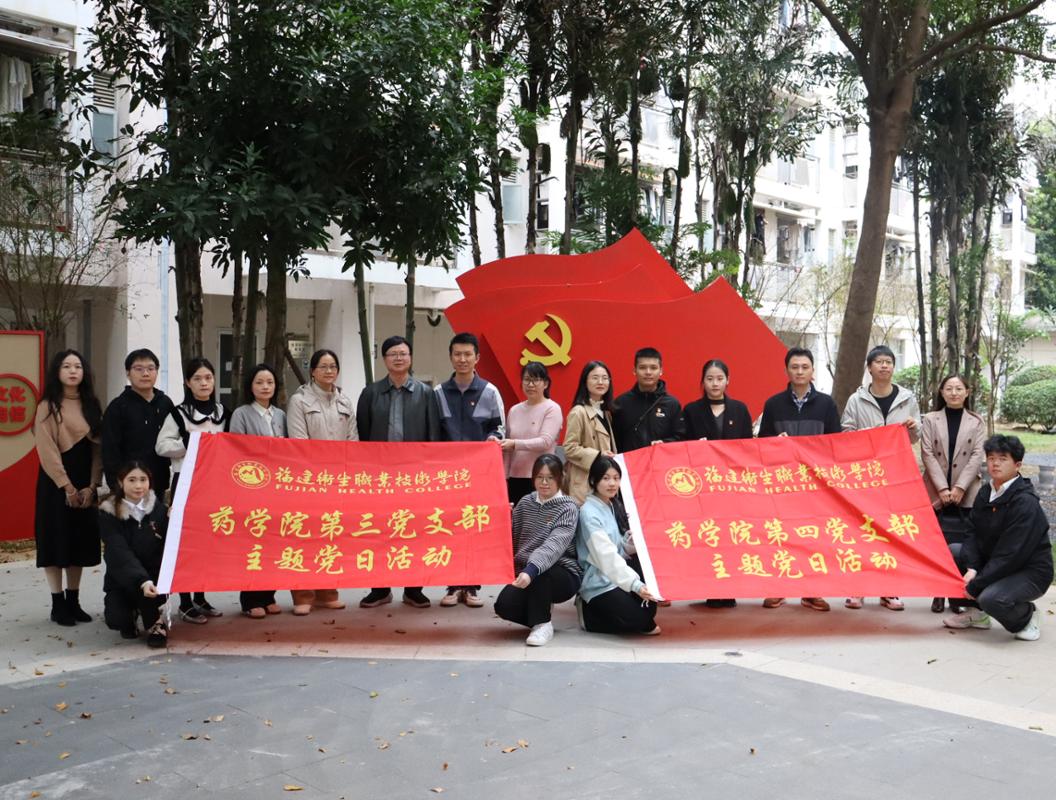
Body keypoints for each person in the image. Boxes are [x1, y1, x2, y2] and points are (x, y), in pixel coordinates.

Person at [356, 335, 440, 610]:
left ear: (410, 358)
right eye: (393, 354)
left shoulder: (425, 393)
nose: (399, 358)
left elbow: (433, 436)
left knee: (413, 531)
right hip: (380, 476)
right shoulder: (370, 393)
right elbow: (363, 436)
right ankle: (380, 589)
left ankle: (413, 589)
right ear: (384, 359)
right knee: (379, 531)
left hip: (413, 476)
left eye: (403, 353)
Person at [943, 435, 1052, 641]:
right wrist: (972, 567)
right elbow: (972, 531)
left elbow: (1011, 555)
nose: (995, 464)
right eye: (991, 458)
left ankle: (1027, 616)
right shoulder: (986, 492)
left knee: (991, 598)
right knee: (954, 553)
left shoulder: (1025, 502)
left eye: (1002, 459)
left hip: (1029, 571)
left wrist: (976, 584)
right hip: (996, 561)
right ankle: (977, 614)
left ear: (1017, 465)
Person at [758, 347, 840, 612]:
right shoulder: (773, 404)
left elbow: (836, 444)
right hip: (782, 483)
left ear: (812, 370)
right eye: (795, 367)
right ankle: (778, 588)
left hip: (815, 484)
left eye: (805, 367)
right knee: (780, 535)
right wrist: (776, 443)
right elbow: (761, 444)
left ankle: (811, 591)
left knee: (813, 537)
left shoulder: (826, 404)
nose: (800, 372)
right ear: (786, 371)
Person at [840, 345, 921, 611]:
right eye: (879, 362)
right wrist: (872, 435)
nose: (884, 366)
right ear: (869, 368)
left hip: (896, 474)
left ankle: (889, 590)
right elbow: (846, 434)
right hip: (864, 475)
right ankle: (859, 588)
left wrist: (913, 427)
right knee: (861, 530)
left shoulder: (907, 399)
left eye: (888, 362)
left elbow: (916, 436)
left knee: (891, 531)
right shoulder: (856, 400)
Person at [155, 357, 230, 624]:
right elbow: (161, 446)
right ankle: (185, 602)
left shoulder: (223, 412)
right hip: (186, 484)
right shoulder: (179, 414)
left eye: (208, 378)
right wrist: (187, 444)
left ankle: (201, 596)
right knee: (186, 542)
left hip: (214, 485)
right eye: (197, 378)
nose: (203, 383)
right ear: (188, 382)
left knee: (207, 543)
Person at [33, 349, 103, 626]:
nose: (73, 371)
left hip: (85, 480)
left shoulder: (92, 404)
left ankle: (74, 601)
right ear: (57, 371)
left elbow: (98, 449)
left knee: (79, 541)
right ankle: (57, 603)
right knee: (54, 540)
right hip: (55, 483)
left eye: (77, 366)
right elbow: (47, 450)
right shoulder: (47, 406)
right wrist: (67, 487)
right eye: (66, 366)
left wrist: (92, 486)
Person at [286, 348, 358, 615]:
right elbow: (299, 442)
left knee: (331, 536)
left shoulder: (345, 401)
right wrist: (317, 474)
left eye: (333, 366)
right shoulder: (299, 401)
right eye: (323, 367)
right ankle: (303, 595)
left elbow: (353, 440)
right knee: (305, 537)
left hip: (338, 480)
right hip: (309, 480)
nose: (329, 371)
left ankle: (328, 592)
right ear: (313, 371)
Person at [435, 332, 505, 608]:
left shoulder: (490, 392)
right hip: (447, 476)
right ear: (450, 357)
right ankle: (453, 585)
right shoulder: (438, 393)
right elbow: (432, 433)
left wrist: (492, 440)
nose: (462, 359)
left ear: (477, 358)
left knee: (475, 527)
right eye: (457, 354)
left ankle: (473, 586)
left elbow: (499, 428)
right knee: (449, 527)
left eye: (467, 354)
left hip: (479, 475)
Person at [677, 358, 753, 608]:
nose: (715, 383)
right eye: (709, 379)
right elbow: (681, 446)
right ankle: (708, 588)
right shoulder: (691, 410)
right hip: (702, 487)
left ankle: (728, 589)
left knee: (730, 537)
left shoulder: (740, 410)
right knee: (707, 536)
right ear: (703, 382)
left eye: (719, 378)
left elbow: (748, 448)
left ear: (728, 380)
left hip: (731, 486)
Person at [495, 454, 582, 646]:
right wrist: (503, 517)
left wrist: (531, 570)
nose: (544, 483)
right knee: (504, 606)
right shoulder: (525, 503)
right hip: (527, 572)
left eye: (550, 477)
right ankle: (539, 615)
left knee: (543, 572)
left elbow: (554, 545)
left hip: (562, 572)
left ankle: (543, 625)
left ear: (560, 478)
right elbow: (511, 539)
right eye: (539, 477)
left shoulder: (568, 507)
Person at [920, 374, 985, 613]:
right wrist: (942, 488)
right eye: (949, 388)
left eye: (959, 388)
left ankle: (958, 595)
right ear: (941, 392)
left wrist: (959, 488)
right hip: (935, 490)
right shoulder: (930, 419)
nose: (954, 393)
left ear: (967, 392)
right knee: (936, 545)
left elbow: (977, 455)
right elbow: (927, 453)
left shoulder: (976, 421)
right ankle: (937, 593)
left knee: (965, 545)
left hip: (966, 492)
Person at [575, 456, 660, 635]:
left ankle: (625, 614)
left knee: (650, 608)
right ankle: (589, 616)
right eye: (606, 478)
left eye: (616, 478)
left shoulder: (610, 504)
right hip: (598, 580)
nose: (612, 483)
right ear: (593, 480)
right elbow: (606, 556)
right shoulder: (589, 513)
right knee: (639, 619)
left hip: (617, 573)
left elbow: (616, 546)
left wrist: (629, 541)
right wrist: (636, 585)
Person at [229, 364, 287, 618]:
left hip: (277, 488)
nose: (265, 387)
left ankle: (269, 595)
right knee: (253, 543)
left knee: (273, 542)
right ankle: (250, 598)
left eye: (270, 382)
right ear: (250, 386)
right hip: (251, 487)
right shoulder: (241, 414)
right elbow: (235, 449)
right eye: (259, 382)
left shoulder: (281, 415)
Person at [99, 461, 170, 648]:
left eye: (143, 480)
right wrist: (142, 580)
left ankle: (155, 622)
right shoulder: (108, 512)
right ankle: (132, 613)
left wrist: (176, 520)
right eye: (131, 480)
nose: (138, 486)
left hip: (153, 579)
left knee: (149, 599)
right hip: (122, 578)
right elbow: (118, 551)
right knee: (117, 619)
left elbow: (171, 545)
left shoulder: (160, 510)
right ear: (120, 482)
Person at [101, 348, 175, 496]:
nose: (145, 373)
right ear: (128, 373)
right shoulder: (118, 407)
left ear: (157, 371)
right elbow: (110, 450)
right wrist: (116, 484)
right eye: (139, 369)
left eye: (150, 368)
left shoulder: (165, 403)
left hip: (158, 482)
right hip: (128, 486)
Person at [501, 362, 562, 505]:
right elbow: (508, 449)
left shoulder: (552, 408)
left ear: (545, 384)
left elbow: (545, 441)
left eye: (536, 380)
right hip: (515, 478)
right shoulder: (514, 410)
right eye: (527, 380)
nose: (530, 384)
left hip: (542, 477)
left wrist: (514, 444)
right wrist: (504, 476)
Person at [562, 360, 617, 504]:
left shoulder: (607, 412)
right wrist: (598, 455)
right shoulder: (578, 412)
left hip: (604, 481)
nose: (600, 382)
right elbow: (569, 448)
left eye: (605, 378)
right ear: (585, 381)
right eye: (595, 378)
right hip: (585, 482)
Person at [611, 347, 681, 453]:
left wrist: (664, 443)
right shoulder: (621, 403)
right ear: (634, 370)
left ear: (661, 371)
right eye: (642, 367)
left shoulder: (672, 404)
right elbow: (614, 440)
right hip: (630, 461)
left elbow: (680, 438)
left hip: (660, 461)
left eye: (653, 368)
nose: (648, 372)